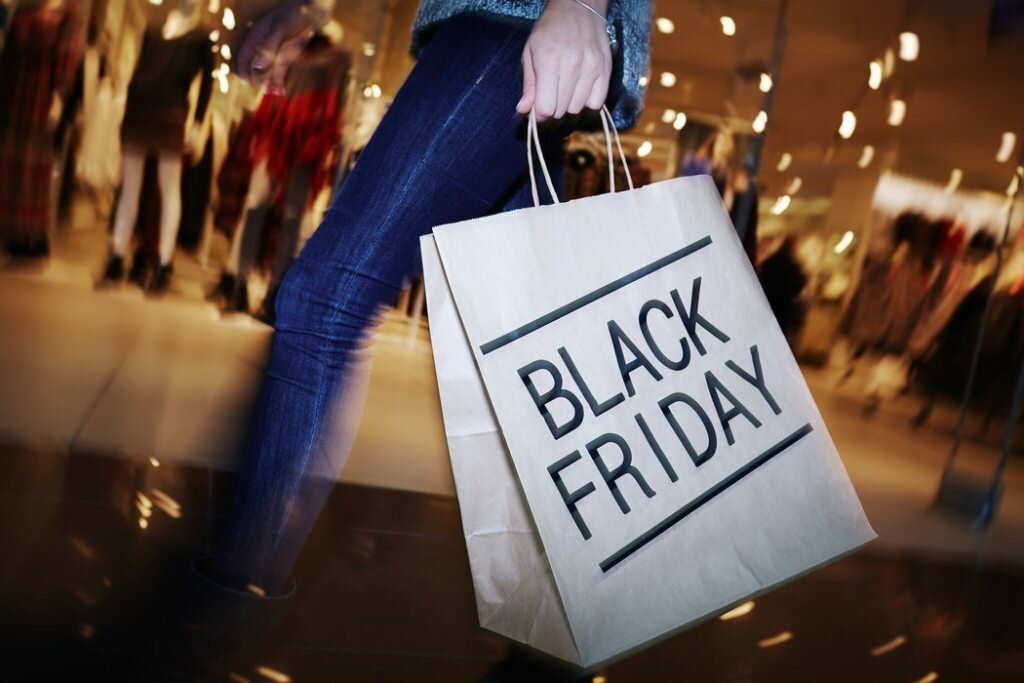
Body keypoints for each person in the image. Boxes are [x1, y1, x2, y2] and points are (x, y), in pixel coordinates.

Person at [149, 0, 652, 678]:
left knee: (324, 298)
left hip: (515, 20)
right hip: (528, 29)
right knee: (517, 362)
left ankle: (216, 620)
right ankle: (559, 636)